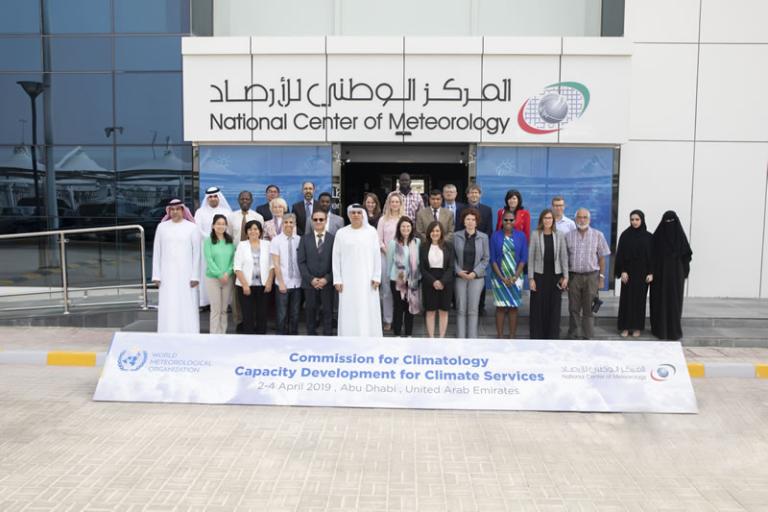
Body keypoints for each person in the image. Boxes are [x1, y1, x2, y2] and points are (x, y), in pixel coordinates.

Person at [333, 204, 382, 337]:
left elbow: (377, 255)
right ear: (349, 215)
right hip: (347, 280)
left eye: (358, 213)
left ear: (363, 215)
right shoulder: (341, 233)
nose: (356, 215)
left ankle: (368, 337)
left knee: (367, 307)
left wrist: (377, 276)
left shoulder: (371, 232)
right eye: (353, 213)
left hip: (368, 279)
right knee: (349, 308)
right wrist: (337, 279)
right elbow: (336, 257)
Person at [152, 199, 201, 334]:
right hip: (166, 274)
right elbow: (157, 251)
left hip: (187, 274)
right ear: (169, 211)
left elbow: (197, 253)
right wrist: (156, 275)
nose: (174, 212)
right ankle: (167, 332)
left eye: (177, 209)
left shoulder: (192, 227)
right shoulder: (162, 227)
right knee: (169, 303)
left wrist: (195, 275)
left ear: (183, 210)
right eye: (172, 209)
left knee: (186, 303)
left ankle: (189, 333)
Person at [565, 208, 610, 339]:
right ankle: (574, 334)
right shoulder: (568, 236)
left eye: (585, 217)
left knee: (588, 308)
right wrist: (565, 278)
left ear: (589, 219)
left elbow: (602, 258)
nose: (582, 220)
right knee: (573, 307)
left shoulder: (598, 235)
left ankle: (588, 335)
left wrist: (601, 278)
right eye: (579, 217)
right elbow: (565, 259)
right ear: (575, 219)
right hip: (574, 277)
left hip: (592, 277)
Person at [650, 210, 692, 341]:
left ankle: (674, 330)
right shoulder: (657, 238)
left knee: (674, 302)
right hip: (659, 276)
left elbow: (686, 257)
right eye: (666, 221)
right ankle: (659, 329)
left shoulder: (681, 239)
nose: (669, 224)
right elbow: (651, 256)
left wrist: (684, 273)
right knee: (659, 301)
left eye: (671, 221)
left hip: (676, 276)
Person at [528, 209, 569, 339]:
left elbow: (563, 257)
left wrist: (566, 276)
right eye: (545, 218)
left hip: (555, 276)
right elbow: (531, 257)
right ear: (541, 220)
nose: (548, 220)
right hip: (539, 276)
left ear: (553, 220)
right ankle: (537, 335)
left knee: (554, 306)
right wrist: (531, 278)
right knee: (538, 306)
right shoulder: (535, 234)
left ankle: (552, 335)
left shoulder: (559, 235)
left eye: (550, 218)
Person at [228, 190, 264, 332]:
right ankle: (239, 321)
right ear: (238, 200)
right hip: (237, 257)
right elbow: (229, 237)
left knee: (254, 293)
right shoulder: (231, 217)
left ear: (251, 200)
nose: (244, 201)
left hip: (253, 258)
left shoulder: (258, 217)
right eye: (242, 198)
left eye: (247, 199)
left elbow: (260, 237)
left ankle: (253, 321)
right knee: (238, 292)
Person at [615, 210, 654, 337]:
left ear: (642, 220)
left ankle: (637, 327)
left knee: (639, 301)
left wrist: (651, 273)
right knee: (626, 301)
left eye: (637, 219)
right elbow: (620, 255)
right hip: (628, 274)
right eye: (632, 219)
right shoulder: (625, 235)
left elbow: (653, 257)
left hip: (642, 275)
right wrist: (622, 271)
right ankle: (625, 327)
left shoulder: (649, 237)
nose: (634, 222)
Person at [490, 211, 528, 339]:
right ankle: (500, 336)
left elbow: (523, 258)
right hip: (498, 277)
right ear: (502, 221)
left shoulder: (521, 236)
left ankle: (512, 336)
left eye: (511, 220)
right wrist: (502, 278)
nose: (508, 222)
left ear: (515, 221)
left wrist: (515, 277)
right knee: (500, 307)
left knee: (513, 307)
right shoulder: (495, 236)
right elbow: (492, 259)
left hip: (516, 277)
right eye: (506, 220)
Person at [453, 207, 490, 339]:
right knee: (461, 309)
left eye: (473, 219)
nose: (470, 222)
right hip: (460, 277)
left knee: (473, 309)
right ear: (463, 221)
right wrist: (458, 271)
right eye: (467, 219)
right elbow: (452, 258)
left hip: (477, 278)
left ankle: (472, 340)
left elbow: (486, 258)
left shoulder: (483, 237)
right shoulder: (456, 236)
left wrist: (475, 272)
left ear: (476, 222)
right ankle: (460, 339)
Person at [297, 209, 335, 336]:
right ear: (312, 221)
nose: (318, 222)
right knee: (310, 311)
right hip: (310, 283)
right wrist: (311, 279)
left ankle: (328, 335)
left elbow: (336, 262)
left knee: (328, 311)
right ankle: (311, 336)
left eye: (321, 219)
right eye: (315, 219)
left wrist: (327, 279)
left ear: (326, 221)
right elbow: (301, 262)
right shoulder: (304, 239)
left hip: (327, 283)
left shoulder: (333, 239)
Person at [194, 186, 232, 307]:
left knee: (223, 271)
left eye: (215, 196)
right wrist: (211, 239)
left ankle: (225, 302)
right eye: (210, 197)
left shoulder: (227, 212)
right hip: (206, 246)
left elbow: (229, 230)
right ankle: (205, 302)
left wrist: (219, 239)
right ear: (207, 198)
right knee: (206, 272)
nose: (213, 198)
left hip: (223, 247)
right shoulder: (200, 212)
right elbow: (198, 229)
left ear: (219, 197)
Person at [233, 220, 274, 334]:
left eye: (256, 229)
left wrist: (269, 282)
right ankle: (248, 338)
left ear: (260, 231)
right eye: (250, 229)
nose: (253, 231)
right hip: (245, 286)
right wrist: (245, 285)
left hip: (263, 285)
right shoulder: (242, 245)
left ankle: (261, 337)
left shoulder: (267, 245)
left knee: (262, 314)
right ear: (246, 232)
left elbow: (272, 265)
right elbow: (237, 267)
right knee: (247, 315)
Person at [386, 216, 421, 337]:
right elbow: (389, 262)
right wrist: (391, 277)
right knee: (398, 307)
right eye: (403, 226)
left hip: (412, 280)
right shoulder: (393, 243)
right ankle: (397, 333)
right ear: (399, 228)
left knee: (410, 307)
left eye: (408, 226)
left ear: (412, 228)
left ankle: (408, 334)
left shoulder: (417, 242)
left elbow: (418, 262)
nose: (406, 229)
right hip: (397, 280)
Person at [420, 221, 454, 338]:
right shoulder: (423, 247)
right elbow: (422, 268)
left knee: (443, 311)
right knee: (430, 311)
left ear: (441, 232)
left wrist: (442, 282)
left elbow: (451, 267)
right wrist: (433, 281)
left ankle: (441, 338)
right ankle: (431, 338)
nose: (435, 233)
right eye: (433, 231)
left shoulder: (449, 246)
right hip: (429, 282)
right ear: (429, 233)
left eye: (437, 231)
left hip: (446, 282)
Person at [377, 191, 405, 331]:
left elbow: (408, 237)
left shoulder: (404, 219)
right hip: (385, 257)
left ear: (400, 204)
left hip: (402, 258)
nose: (394, 204)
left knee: (401, 289)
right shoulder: (383, 220)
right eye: (392, 202)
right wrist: (387, 251)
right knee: (387, 290)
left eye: (397, 202)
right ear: (388, 203)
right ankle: (388, 319)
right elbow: (378, 240)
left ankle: (400, 319)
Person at [203, 214, 236, 334]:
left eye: (223, 224)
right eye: (218, 224)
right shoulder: (208, 241)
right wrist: (219, 275)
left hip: (228, 278)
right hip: (213, 279)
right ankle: (214, 335)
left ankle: (222, 334)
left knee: (224, 309)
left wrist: (227, 273)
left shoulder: (230, 241)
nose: (221, 226)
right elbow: (209, 260)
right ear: (213, 226)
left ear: (226, 226)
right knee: (215, 309)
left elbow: (233, 260)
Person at [270, 213, 302, 335]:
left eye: (291, 222)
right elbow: (276, 263)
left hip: (297, 283)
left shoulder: (299, 240)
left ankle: (294, 337)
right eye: (286, 222)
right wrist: (281, 282)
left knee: (295, 313)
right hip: (282, 283)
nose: (288, 225)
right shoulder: (276, 240)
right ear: (282, 224)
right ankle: (280, 338)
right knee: (281, 314)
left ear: (295, 224)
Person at [464, 183, 493, 315]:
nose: (474, 195)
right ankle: (465, 305)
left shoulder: (487, 210)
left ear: (480, 195)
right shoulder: (462, 209)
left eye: (476, 192)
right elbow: (459, 228)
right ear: (467, 195)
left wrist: (483, 245)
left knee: (479, 276)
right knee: (465, 277)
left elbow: (489, 230)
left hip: (481, 248)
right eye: (471, 192)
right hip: (466, 247)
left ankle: (480, 306)